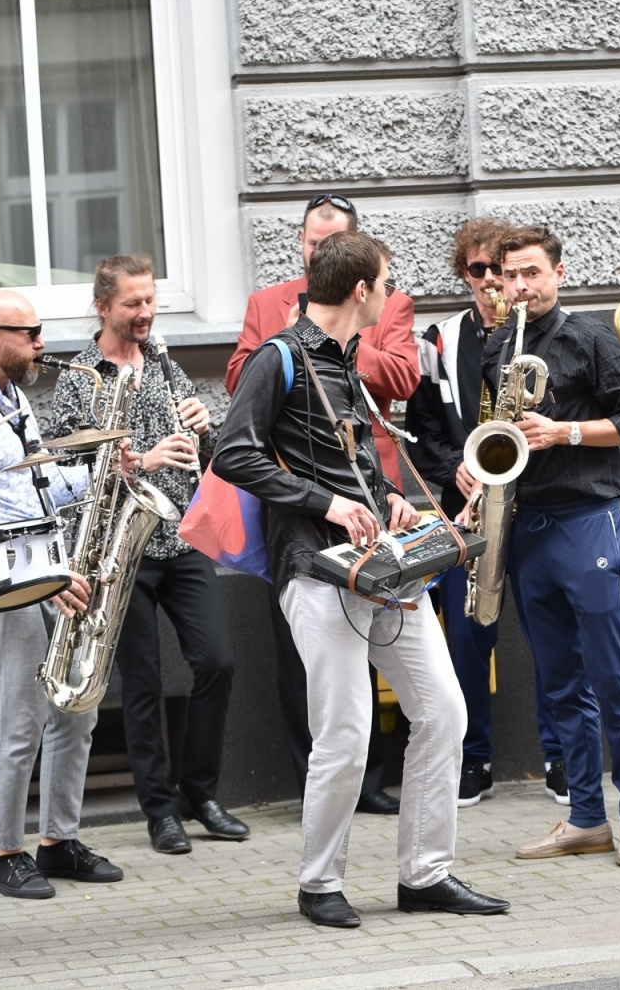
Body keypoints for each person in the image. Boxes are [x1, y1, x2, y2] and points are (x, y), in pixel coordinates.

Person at [214, 230, 509, 927]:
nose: (391, 290)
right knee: (344, 732)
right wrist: (330, 504)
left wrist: (385, 500)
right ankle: (320, 885)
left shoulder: (347, 362)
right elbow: (232, 453)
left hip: (383, 568)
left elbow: (346, 458)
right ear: (360, 290)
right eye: (387, 279)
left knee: (444, 710)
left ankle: (426, 874)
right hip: (315, 572)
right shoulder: (278, 357)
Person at [0, 291, 126, 901]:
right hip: (6, 586)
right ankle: (5, 854)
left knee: (75, 711)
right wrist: (39, 572)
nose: (41, 343)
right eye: (30, 333)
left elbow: (36, 488)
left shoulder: (10, 398)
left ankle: (58, 842)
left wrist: (107, 470)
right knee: (20, 723)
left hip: (53, 574)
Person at [225, 192, 418, 815]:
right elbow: (239, 402)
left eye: (326, 243)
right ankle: (322, 843)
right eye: (310, 242)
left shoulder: (357, 337)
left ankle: (380, 800)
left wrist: (389, 496)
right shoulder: (274, 321)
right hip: (307, 534)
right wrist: (300, 346)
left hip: (370, 518)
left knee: (427, 703)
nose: (315, 254)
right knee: (324, 693)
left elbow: (403, 380)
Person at [50, 254, 247, 856]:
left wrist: (205, 425)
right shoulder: (80, 376)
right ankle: (159, 811)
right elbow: (62, 468)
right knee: (142, 682)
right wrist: (138, 461)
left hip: (178, 535)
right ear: (103, 307)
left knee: (217, 662)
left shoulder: (163, 361)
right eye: (133, 303)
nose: (145, 312)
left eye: (150, 300)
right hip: (119, 547)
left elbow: (206, 453)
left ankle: (201, 794)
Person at [483, 226, 620, 867]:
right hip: (527, 524)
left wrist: (565, 431)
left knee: (614, 675)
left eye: (532, 273)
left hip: (589, 519)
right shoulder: (497, 345)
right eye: (510, 276)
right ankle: (587, 816)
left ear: (558, 274)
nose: (521, 287)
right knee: (559, 685)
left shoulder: (591, 338)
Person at [404, 216, 567, 807]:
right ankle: (472, 760)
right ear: (463, 274)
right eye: (480, 270)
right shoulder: (440, 339)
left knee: (552, 635)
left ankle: (562, 756)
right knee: (469, 639)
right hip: (465, 509)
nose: (494, 281)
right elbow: (419, 428)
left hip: (543, 504)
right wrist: (455, 465)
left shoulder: (547, 333)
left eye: (503, 269)